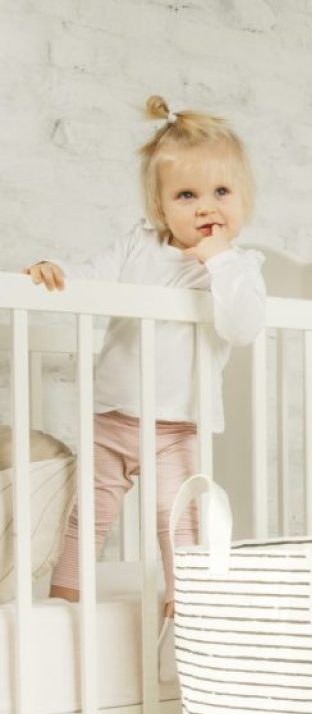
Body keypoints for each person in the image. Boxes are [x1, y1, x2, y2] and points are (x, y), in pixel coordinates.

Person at [23, 95, 266, 679]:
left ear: (243, 200)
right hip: (111, 416)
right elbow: (91, 280)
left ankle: (186, 623)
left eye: (221, 193)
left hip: (176, 425)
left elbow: (243, 324)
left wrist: (220, 260)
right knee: (87, 518)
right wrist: (57, 275)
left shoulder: (239, 267)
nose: (206, 207)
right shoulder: (139, 247)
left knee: (177, 521)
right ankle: (64, 613)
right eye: (186, 195)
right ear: (160, 206)